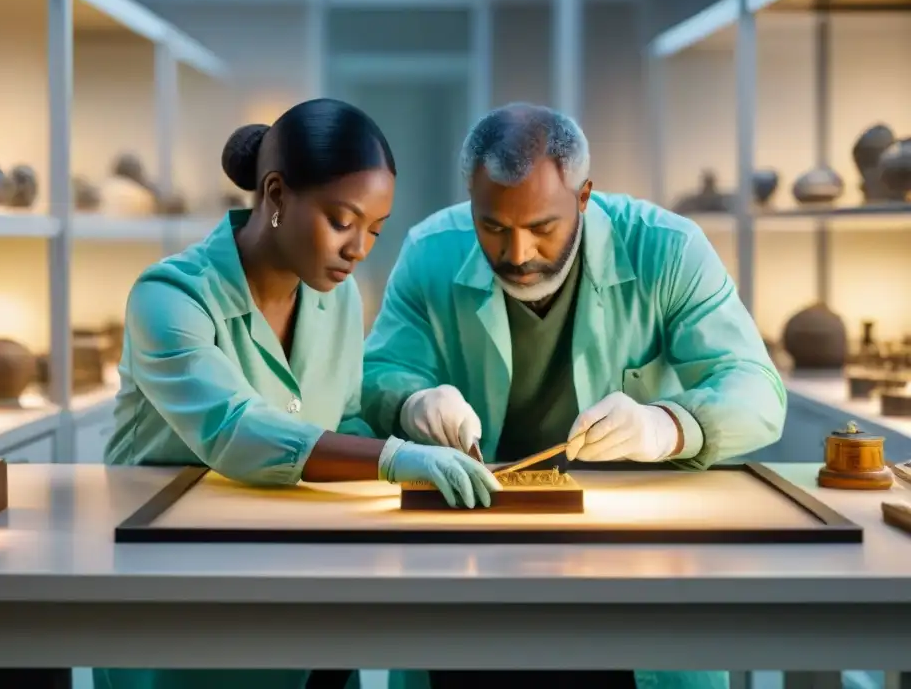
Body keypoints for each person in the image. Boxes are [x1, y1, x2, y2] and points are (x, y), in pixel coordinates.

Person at [361, 102, 786, 689]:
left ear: (584, 196)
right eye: (492, 226)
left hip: (629, 564)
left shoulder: (666, 248)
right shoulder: (429, 250)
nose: (517, 253)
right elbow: (378, 373)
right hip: (471, 557)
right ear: (471, 199)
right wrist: (412, 401)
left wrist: (668, 426)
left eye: (541, 228)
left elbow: (758, 389)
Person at [94, 98, 499, 689]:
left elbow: (346, 413)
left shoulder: (336, 298)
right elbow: (234, 430)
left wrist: (416, 425)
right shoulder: (170, 298)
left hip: (311, 589)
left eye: (375, 230)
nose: (360, 248)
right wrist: (393, 460)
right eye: (342, 221)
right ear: (277, 194)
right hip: (184, 597)